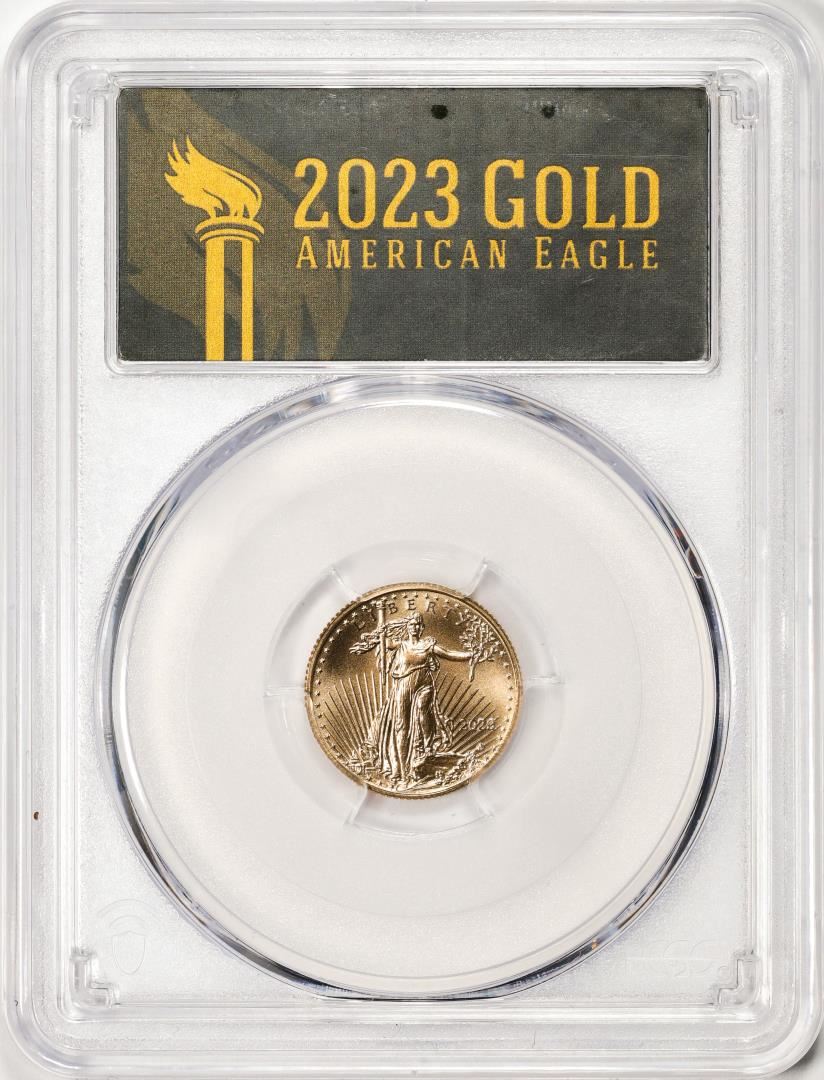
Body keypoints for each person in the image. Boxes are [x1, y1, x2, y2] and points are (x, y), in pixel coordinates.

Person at [375, 612, 476, 785]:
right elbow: (384, 642)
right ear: (407, 627)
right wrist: (380, 632)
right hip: (403, 686)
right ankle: (403, 770)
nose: (414, 627)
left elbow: (448, 653)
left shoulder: (428, 645)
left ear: (421, 628)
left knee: (423, 709)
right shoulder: (401, 645)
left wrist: (469, 655)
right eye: (411, 624)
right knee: (401, 727)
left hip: (424, 685)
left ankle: (426, 746)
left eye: (417, 624)